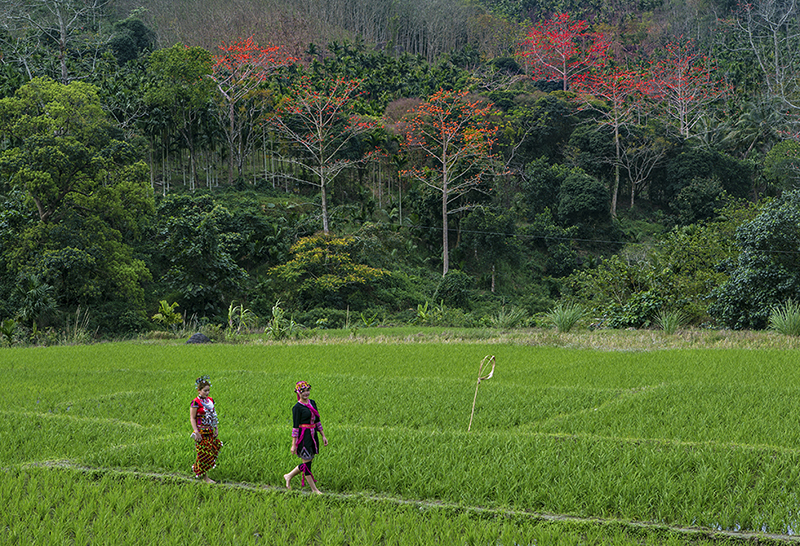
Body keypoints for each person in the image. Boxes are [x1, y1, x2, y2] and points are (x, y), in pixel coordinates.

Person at [283, 380, 327, 493]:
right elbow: (295, 427)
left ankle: (288, 476)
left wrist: (323, 435)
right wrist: (294, 444)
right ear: (298, 393)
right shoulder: (297, 408)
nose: (306, 393)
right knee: (307, 465)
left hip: (313, 436)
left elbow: (317, 421)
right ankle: (314, 490)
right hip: (303, 437)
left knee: (308, 461)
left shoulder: (312, 403)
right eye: (303, 391)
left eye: (307, 390)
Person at [189, 375, 222, 483]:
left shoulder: (210, 401)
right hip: (201, 432)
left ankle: (199, 471)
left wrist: (216, 428)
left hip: (210, 431)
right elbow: (192, 418)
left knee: (211, 450)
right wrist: (196, 431)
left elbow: (213, 415)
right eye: (205, 391)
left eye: (208, 390)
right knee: (203, 454)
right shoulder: (195, 402)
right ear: (199, 390)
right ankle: (205, 477)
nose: (207, 393)